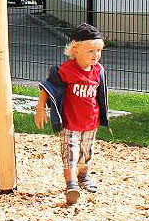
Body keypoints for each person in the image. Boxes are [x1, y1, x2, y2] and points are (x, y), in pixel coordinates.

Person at [35, 23, 109, 205]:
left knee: (86, 155)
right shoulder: (65, 70)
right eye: (90, 51)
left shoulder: (98, 71)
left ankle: (83, 177)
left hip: (91, 123)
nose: (96, 55)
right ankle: (71, 185)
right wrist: (40, 107)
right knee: (70, 154)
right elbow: (47, 86)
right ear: (75, 50)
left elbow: (100, 95)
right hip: (70, 123)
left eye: (98, 50)